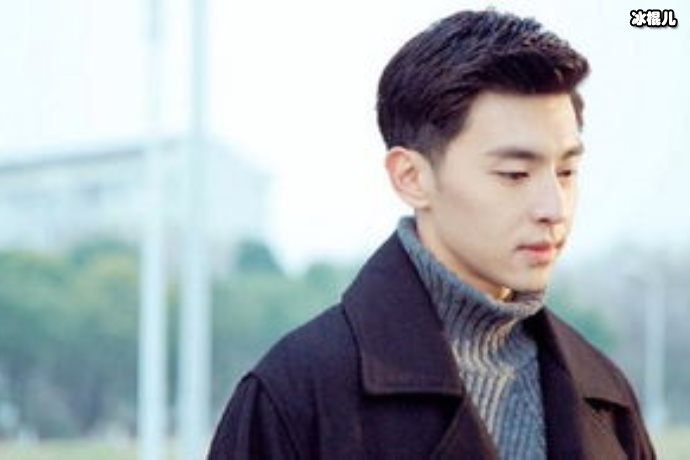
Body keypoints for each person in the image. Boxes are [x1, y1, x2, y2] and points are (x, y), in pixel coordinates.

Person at [208, 9, 655, 459]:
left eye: (566, 171)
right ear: (411, 177)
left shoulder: (605, 397)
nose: (554, 209)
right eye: (515, 174)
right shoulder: (295, 396)